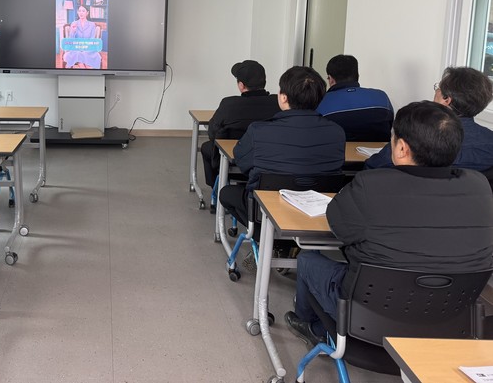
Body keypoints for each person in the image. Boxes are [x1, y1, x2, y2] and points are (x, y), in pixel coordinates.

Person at [286, 101, 493, 347]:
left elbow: (339, 228)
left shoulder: (370, 185)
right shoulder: (480, 187)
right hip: (451, 316)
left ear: (402, 148)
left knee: (308, 260)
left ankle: (312, 328)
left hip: (367, 316)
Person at [218, 66, 346, 235]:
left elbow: (241, 162)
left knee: (226, 193)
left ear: (284, 98)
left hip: (265, 210)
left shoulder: (259, 130)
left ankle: (261, 237)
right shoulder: (337, 132)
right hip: (319, 212)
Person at [366, 66, 493, 170]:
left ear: (446, 100)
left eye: (438, 88)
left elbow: (372, 168)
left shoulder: (413, 136)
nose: (436, 91)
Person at [200, 60, 280, 189]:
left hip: (233, 161)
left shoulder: (229, 104)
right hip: (269, 162)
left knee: (206, 147)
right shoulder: (278, 103)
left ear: (241, 85)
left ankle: (218, 190)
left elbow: (212, 134)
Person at [316, 54, 393, 141]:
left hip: (334, 149)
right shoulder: (382, 98)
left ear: (331, 79)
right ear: (357, 76)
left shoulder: (320, 103)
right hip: (379, 149)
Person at [63, 5, 101, 69]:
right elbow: (71, 40)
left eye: (83, 11)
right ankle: (83, 68)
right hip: (76, 48)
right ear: (77, 12)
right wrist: (73, 31)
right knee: (78, 54)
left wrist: (85, 48)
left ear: (87, 13)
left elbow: (92, 40)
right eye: (79, 11)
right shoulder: (74, 23)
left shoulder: (92, 25)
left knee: (87, 58)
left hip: (88, 48)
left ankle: (86, 67)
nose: (81, 13)